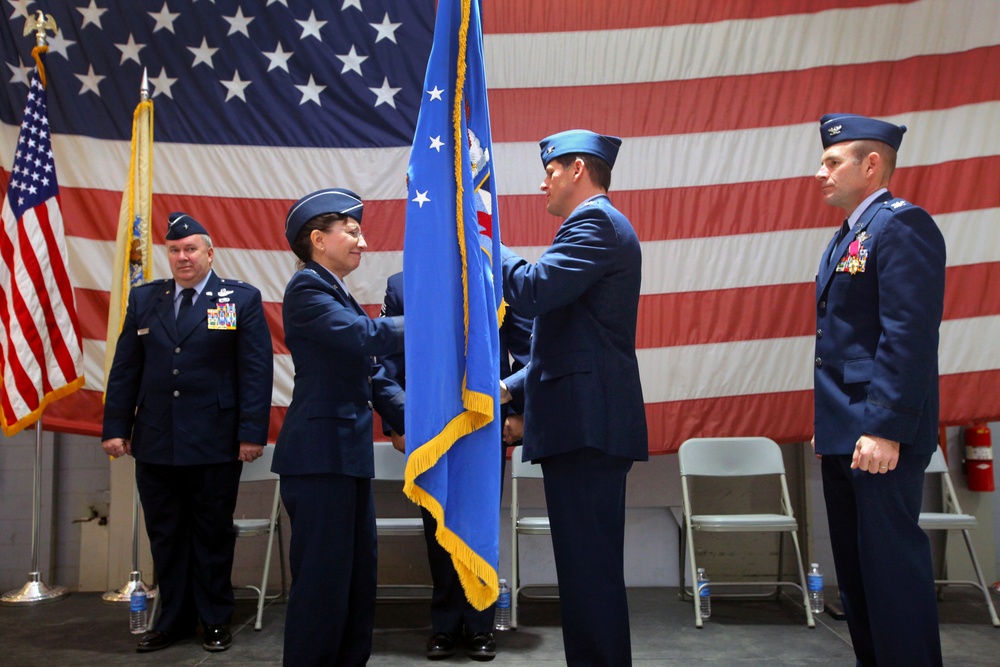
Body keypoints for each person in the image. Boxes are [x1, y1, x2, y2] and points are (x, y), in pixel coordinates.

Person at [499, 130, 648, 666]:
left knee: (590, 577)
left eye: (551, 170)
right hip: (584, 423)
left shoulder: (595, 223)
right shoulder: (595, 226)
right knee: (587, 577)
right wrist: (506, 388)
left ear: (578, 169)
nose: (544, 181)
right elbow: (566, 344)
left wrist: (480, 237)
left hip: (589, 425)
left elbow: (534, 291)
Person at [102, 212, 274, 653]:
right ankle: (174, 619)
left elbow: (254, 371)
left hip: (215, 439)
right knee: (166, 535)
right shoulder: (145, 300)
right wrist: (116, 427)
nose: (182, 257)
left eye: (191, 249)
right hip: (157, 439)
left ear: (209, 253)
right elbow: (126, 370)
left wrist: (251, 433)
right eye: (175, 250)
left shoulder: (238, 299)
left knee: (212, 533)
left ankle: (216, 619)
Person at [812, 114, 945, 666]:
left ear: (871, 165)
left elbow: (908, 333)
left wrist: (885, 427)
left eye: (832, 161)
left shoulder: (902, 226)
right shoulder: (849, 236)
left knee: (891, 579)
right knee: (860, 582)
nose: (820, 172)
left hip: (876, 435)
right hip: (846, 431)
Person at [272, 188, 406, 667]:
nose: (362, 242)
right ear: (317, 239)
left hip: (344, 457)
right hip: (318, 457)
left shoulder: (337, 293)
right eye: (351, 231)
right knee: (322, 583)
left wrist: (416, 418)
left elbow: (369, 375)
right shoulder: (308, 288)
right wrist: (431, 321)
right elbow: (364, 338)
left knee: (355, 578)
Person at [379, 271, 531, 662]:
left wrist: (520, 412)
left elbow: (526, 350)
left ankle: (480, 624)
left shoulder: (496, 274)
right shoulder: (405, 282)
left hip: (485, 422)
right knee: (437, 523)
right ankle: (444, 624)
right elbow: (392, 360)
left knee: (479, 521)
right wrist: (397, 423)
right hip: (430, 427)